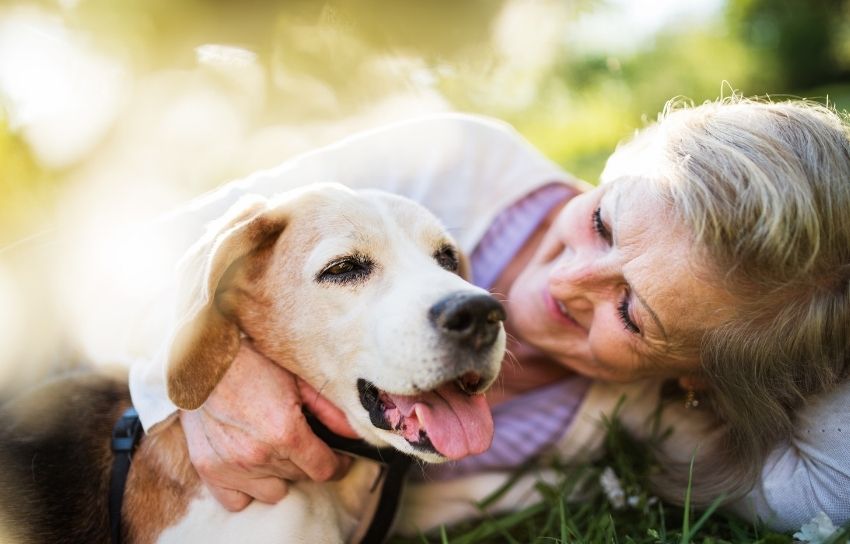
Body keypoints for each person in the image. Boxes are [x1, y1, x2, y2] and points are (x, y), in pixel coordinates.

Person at [111, 96, 849, 534]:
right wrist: (202, 375)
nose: (568, 281)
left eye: (631, 312)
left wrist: (822, 314)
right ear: (617, 168)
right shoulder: (458, 159)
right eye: (602, 222)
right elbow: (122, 258)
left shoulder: (662, 420)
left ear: (697, 374)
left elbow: (832, 486)